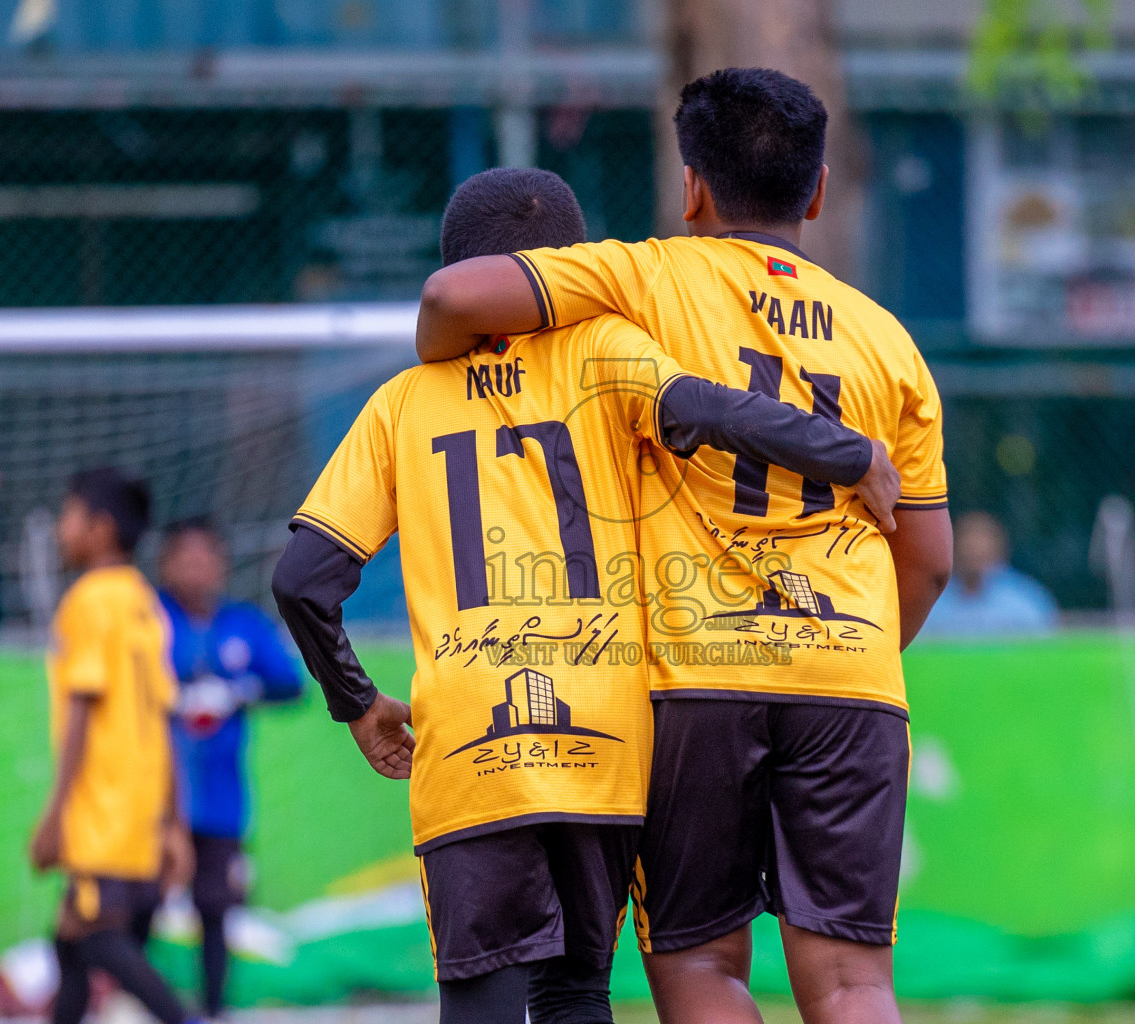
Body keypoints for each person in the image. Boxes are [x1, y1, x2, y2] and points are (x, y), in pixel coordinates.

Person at [271, 167, 902, 1024]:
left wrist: (358, 702)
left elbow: (302, 580)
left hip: (468, 739)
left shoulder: (399, 403)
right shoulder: (606, 353)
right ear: (562, 273)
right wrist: (848, 455)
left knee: (482, 994)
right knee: (575, 994)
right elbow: (718, 411)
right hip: (605, 733)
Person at [414, 68, 953, 1024]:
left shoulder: (640, 278)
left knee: (705, 969)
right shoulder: (889, 342)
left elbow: (455, 294)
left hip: (694, 682)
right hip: (852, 683)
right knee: (856, 982)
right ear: (819, 188)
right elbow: (932, 556)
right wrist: (859, 652)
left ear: (692, 185)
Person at [28, 468, 199, 1024]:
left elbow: (80, 710)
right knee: (69, 942)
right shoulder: (145, 603)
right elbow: (163, 720)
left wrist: (54, 815)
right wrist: (175, 823)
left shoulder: (87, 601)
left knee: (98, 939)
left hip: (98, 815)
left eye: (68, 515)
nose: (60, 528)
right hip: (140, 814)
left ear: (98, 529)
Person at [158, 518, 304, 1018]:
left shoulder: (243, 624)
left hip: (221, 798)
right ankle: (144, 1000)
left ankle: (212, 1010)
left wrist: (241, 691)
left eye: (206, 558)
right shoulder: (150, 620)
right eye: (186, 558)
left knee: (215, 908)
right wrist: (171, 700)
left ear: (221, 565)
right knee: (136, 905)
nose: (197, 569)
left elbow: (292, 685)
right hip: (156, 797)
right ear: (165, 565)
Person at [923, 512, 1057, 636]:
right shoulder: (929, 600)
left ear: (1000, 550)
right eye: (968, 545)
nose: (974, 550)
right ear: (952, 548)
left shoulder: (1025, 600)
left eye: (981, 548)